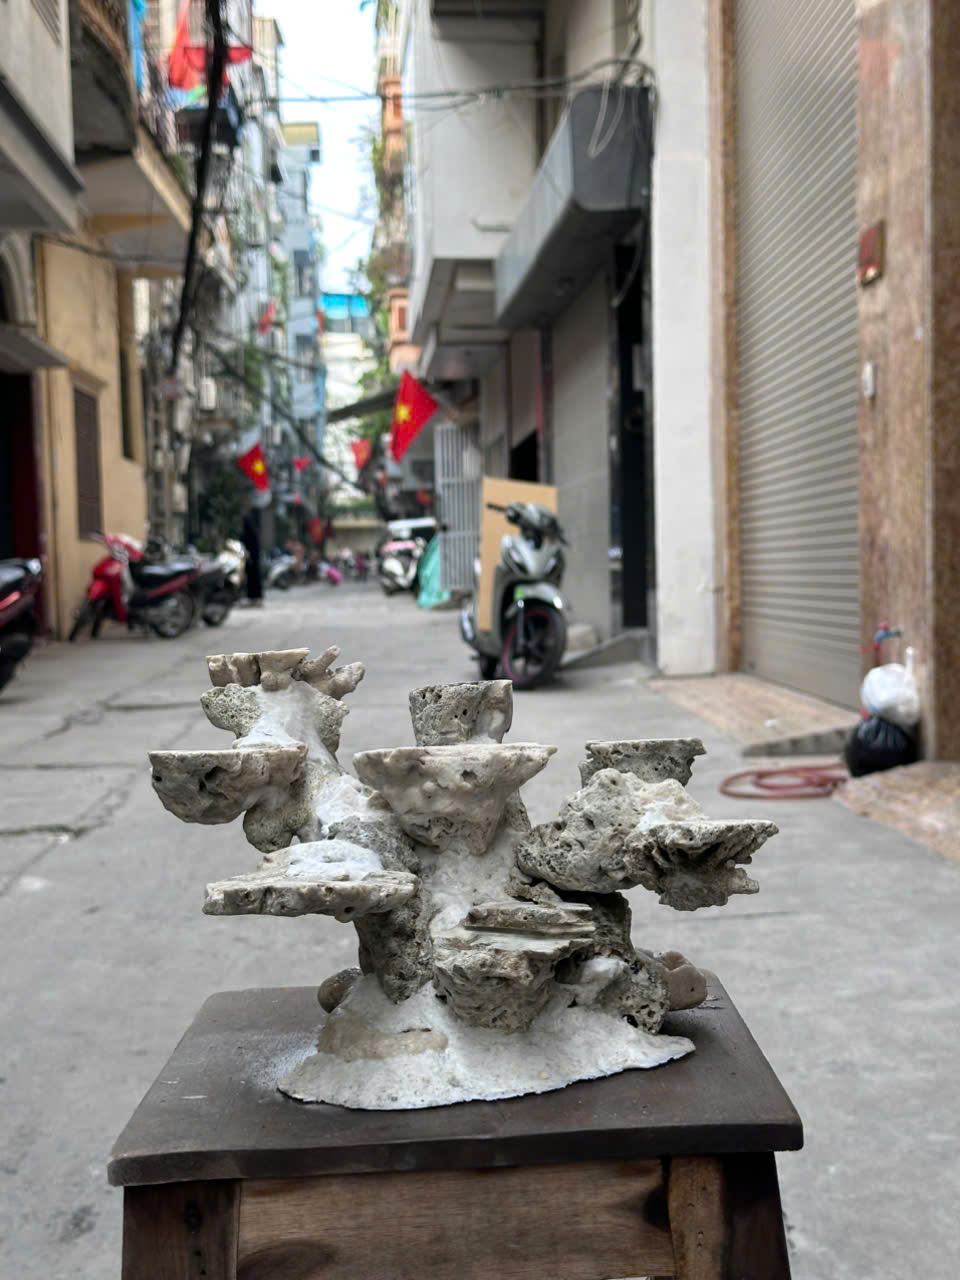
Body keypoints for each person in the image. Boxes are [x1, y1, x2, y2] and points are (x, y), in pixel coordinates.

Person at [241, 498, 264, 607]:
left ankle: (254, 597)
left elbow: (246, 537)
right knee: (252, 575)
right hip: (252, 552)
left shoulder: (248, 519)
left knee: (252, 575)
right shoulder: (251, 519)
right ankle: (254, 597)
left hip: (251, 553)